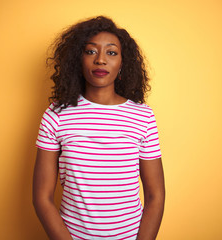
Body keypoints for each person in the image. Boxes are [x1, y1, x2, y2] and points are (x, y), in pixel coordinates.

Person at [33, 16, 165, 240]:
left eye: (111, 52)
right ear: (78, 59)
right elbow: (42, 197)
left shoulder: (142, 116)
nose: (101, 60)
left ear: (123, 62)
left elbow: (156, 195)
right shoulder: (56, 115)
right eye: (91, 51)